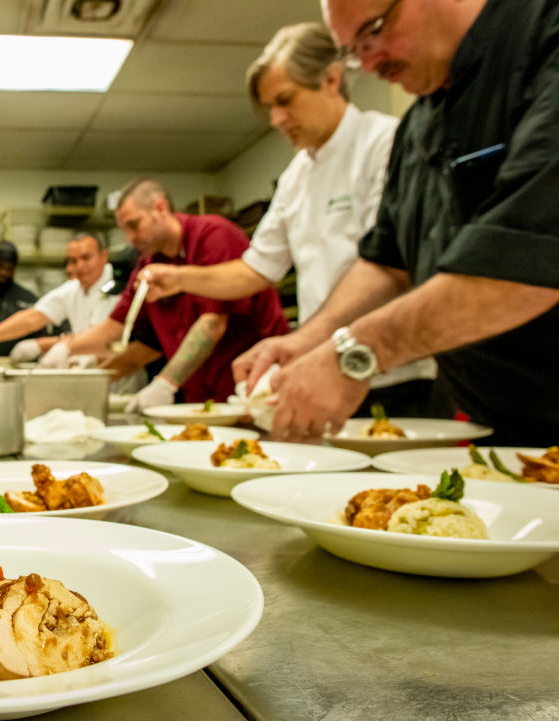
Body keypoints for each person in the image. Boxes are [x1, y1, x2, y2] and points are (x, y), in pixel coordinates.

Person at [235, 0, 559, 445]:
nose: (366, 63)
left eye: (373, 32)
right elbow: (386, 263)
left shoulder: (545, 40)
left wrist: (357, 352)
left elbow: (527, 266)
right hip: (504, 424)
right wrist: (307, 341)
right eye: (352, 50)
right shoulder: (420, 122)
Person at [136, 22, 444, 417]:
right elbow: (256, 269)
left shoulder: (385, 143)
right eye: (270, 108)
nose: (277, 119)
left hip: (396, 375)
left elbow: (387, 267)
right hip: (324, 368)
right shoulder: (297, 174)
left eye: (286, 100)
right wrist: (179, 278)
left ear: (331, 78)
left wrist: (308, 340)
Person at [42, 178, 290, 405]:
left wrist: (165, 383)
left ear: (160, 208)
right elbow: (115, 327)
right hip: (200, 399)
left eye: (134, 225)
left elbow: (213, 323)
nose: (129, 238)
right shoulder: (148, 263)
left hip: (256, 391)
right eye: (124, 230)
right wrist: (67, 348)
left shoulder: (214, 236)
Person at [0, 232, 117, 362]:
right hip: (89, 371)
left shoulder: (117, 286)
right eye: (73, 260)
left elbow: (98, 335)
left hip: (118, 375)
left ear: (104, 256)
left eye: (86, 258)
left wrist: (40, 345)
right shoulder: (74, 288)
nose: (79, 267)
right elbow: (33, 317)